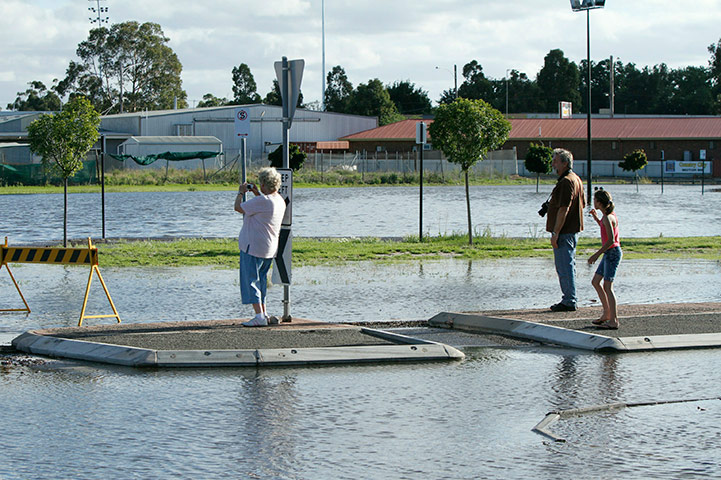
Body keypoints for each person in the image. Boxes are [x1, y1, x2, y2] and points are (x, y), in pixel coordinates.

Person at [234, 167, 286, 327]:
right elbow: (262, 207)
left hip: (253, 246)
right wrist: (257, 193)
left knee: (250, 281)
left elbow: (238, 207)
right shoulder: (279, 200)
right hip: (269, 248)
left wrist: (241, 192)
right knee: (261, 280)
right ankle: (263, 313)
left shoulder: (263, 201)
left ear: (263, 183)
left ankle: (259, 316)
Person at [546, 148, 585, 312]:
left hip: (565, 232)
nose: (553, 164)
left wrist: (555, 233)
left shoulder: (566, 182)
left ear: (564, 163)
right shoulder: (575, 179)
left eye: (555, 161)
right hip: (571, 230)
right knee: (568, 265)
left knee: (564, 266)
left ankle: (569, 300)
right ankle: (570, 298)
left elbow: (564, 209)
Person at [588, 189, 622, 329]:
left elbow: (610, 240)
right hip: (609, 253)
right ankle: (606, 313)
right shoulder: (606, 217)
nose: (593, 202)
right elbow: (605, 229)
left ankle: (614, 320)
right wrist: (596, 219)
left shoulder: (608, 217)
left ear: (600, 202)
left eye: (595, 200)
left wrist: (596, 254)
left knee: (608, 286)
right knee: (596, 282)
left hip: (612, 252)